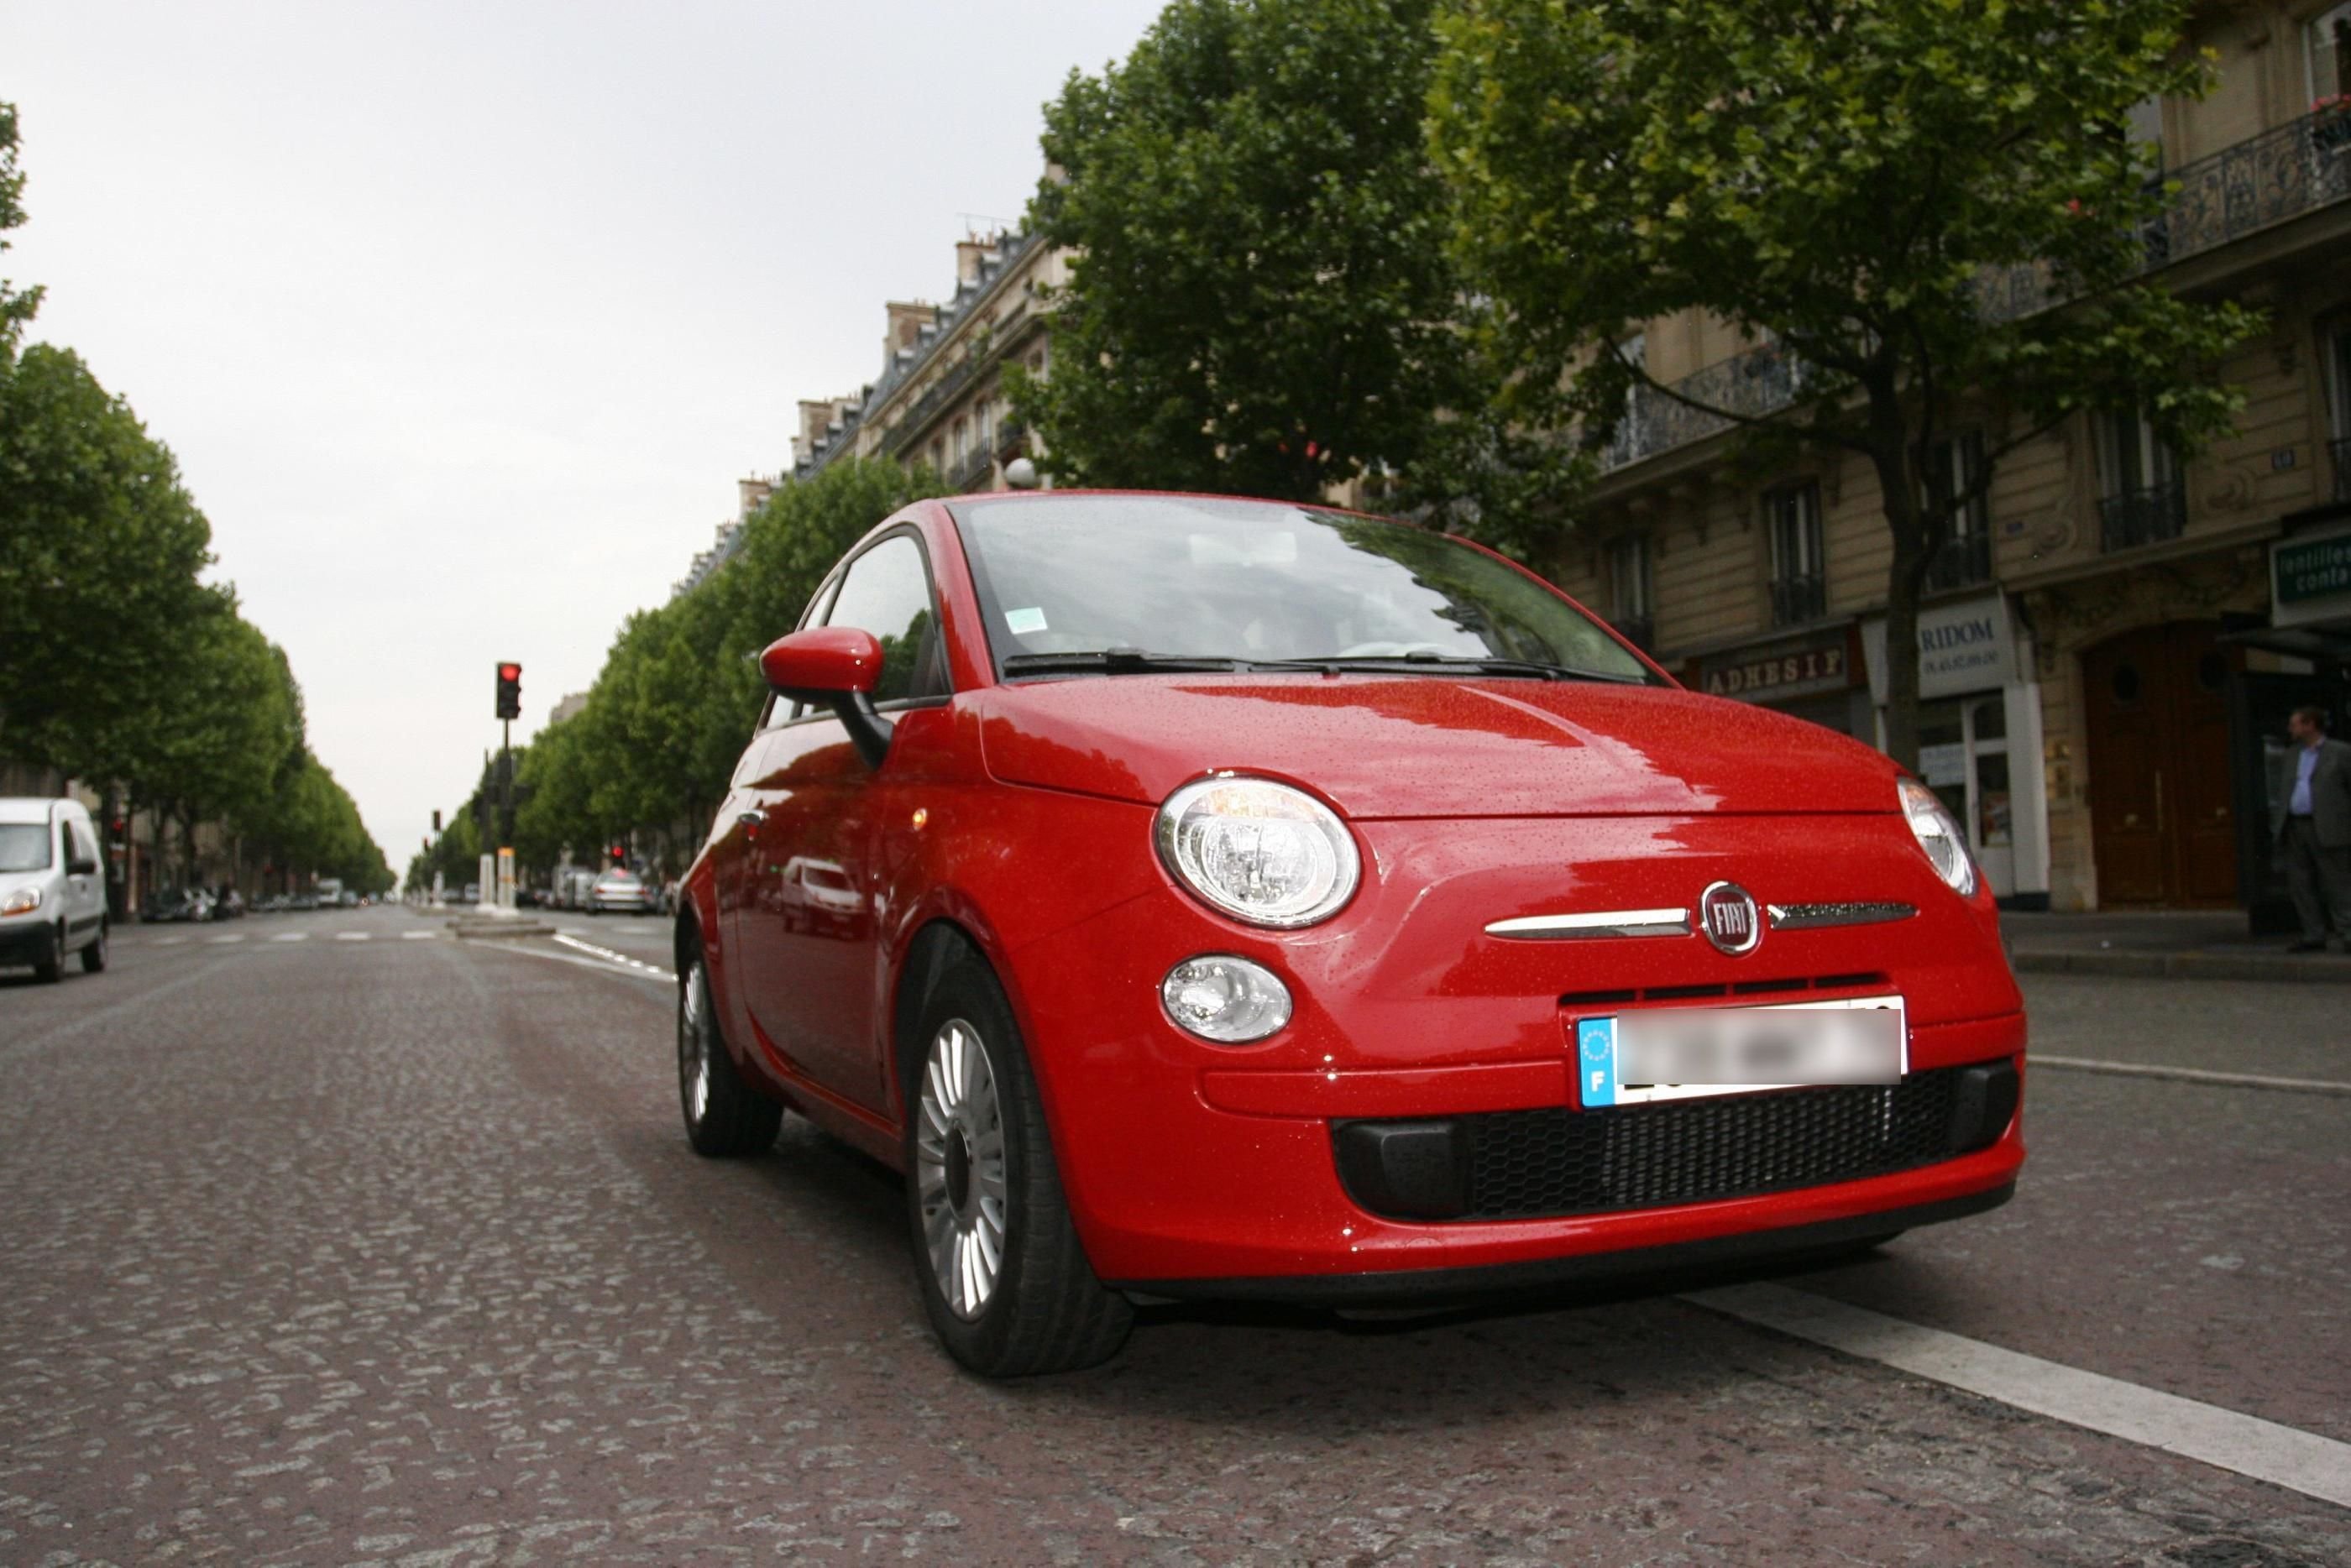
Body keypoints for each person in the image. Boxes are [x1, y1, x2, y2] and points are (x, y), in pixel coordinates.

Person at [2270, 705, 2351, 953]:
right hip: (2295, 824)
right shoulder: (2292, 754)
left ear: (2309, 725)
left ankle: (2347, 931)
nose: (2290, 729)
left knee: (2336, 881)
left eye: (2294, 724)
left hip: (2327, 825)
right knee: (2301, 883)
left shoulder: (2340, 752)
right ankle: (2313, 933)